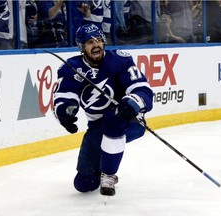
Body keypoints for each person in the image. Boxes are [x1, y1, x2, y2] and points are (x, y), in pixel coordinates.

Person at [52, 23, 153, 196]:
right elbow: (64, 94)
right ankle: (103, 167)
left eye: (99, 40)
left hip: (129, 120)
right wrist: (65, 111)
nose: (96, 45)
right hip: (97, 127)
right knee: (83, 184)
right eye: (90, 42)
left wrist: (133, 103)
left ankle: (108, 173)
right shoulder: (72, 68)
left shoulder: (119, 61)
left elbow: (142, 89)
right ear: (81, 47)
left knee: (113, 119)